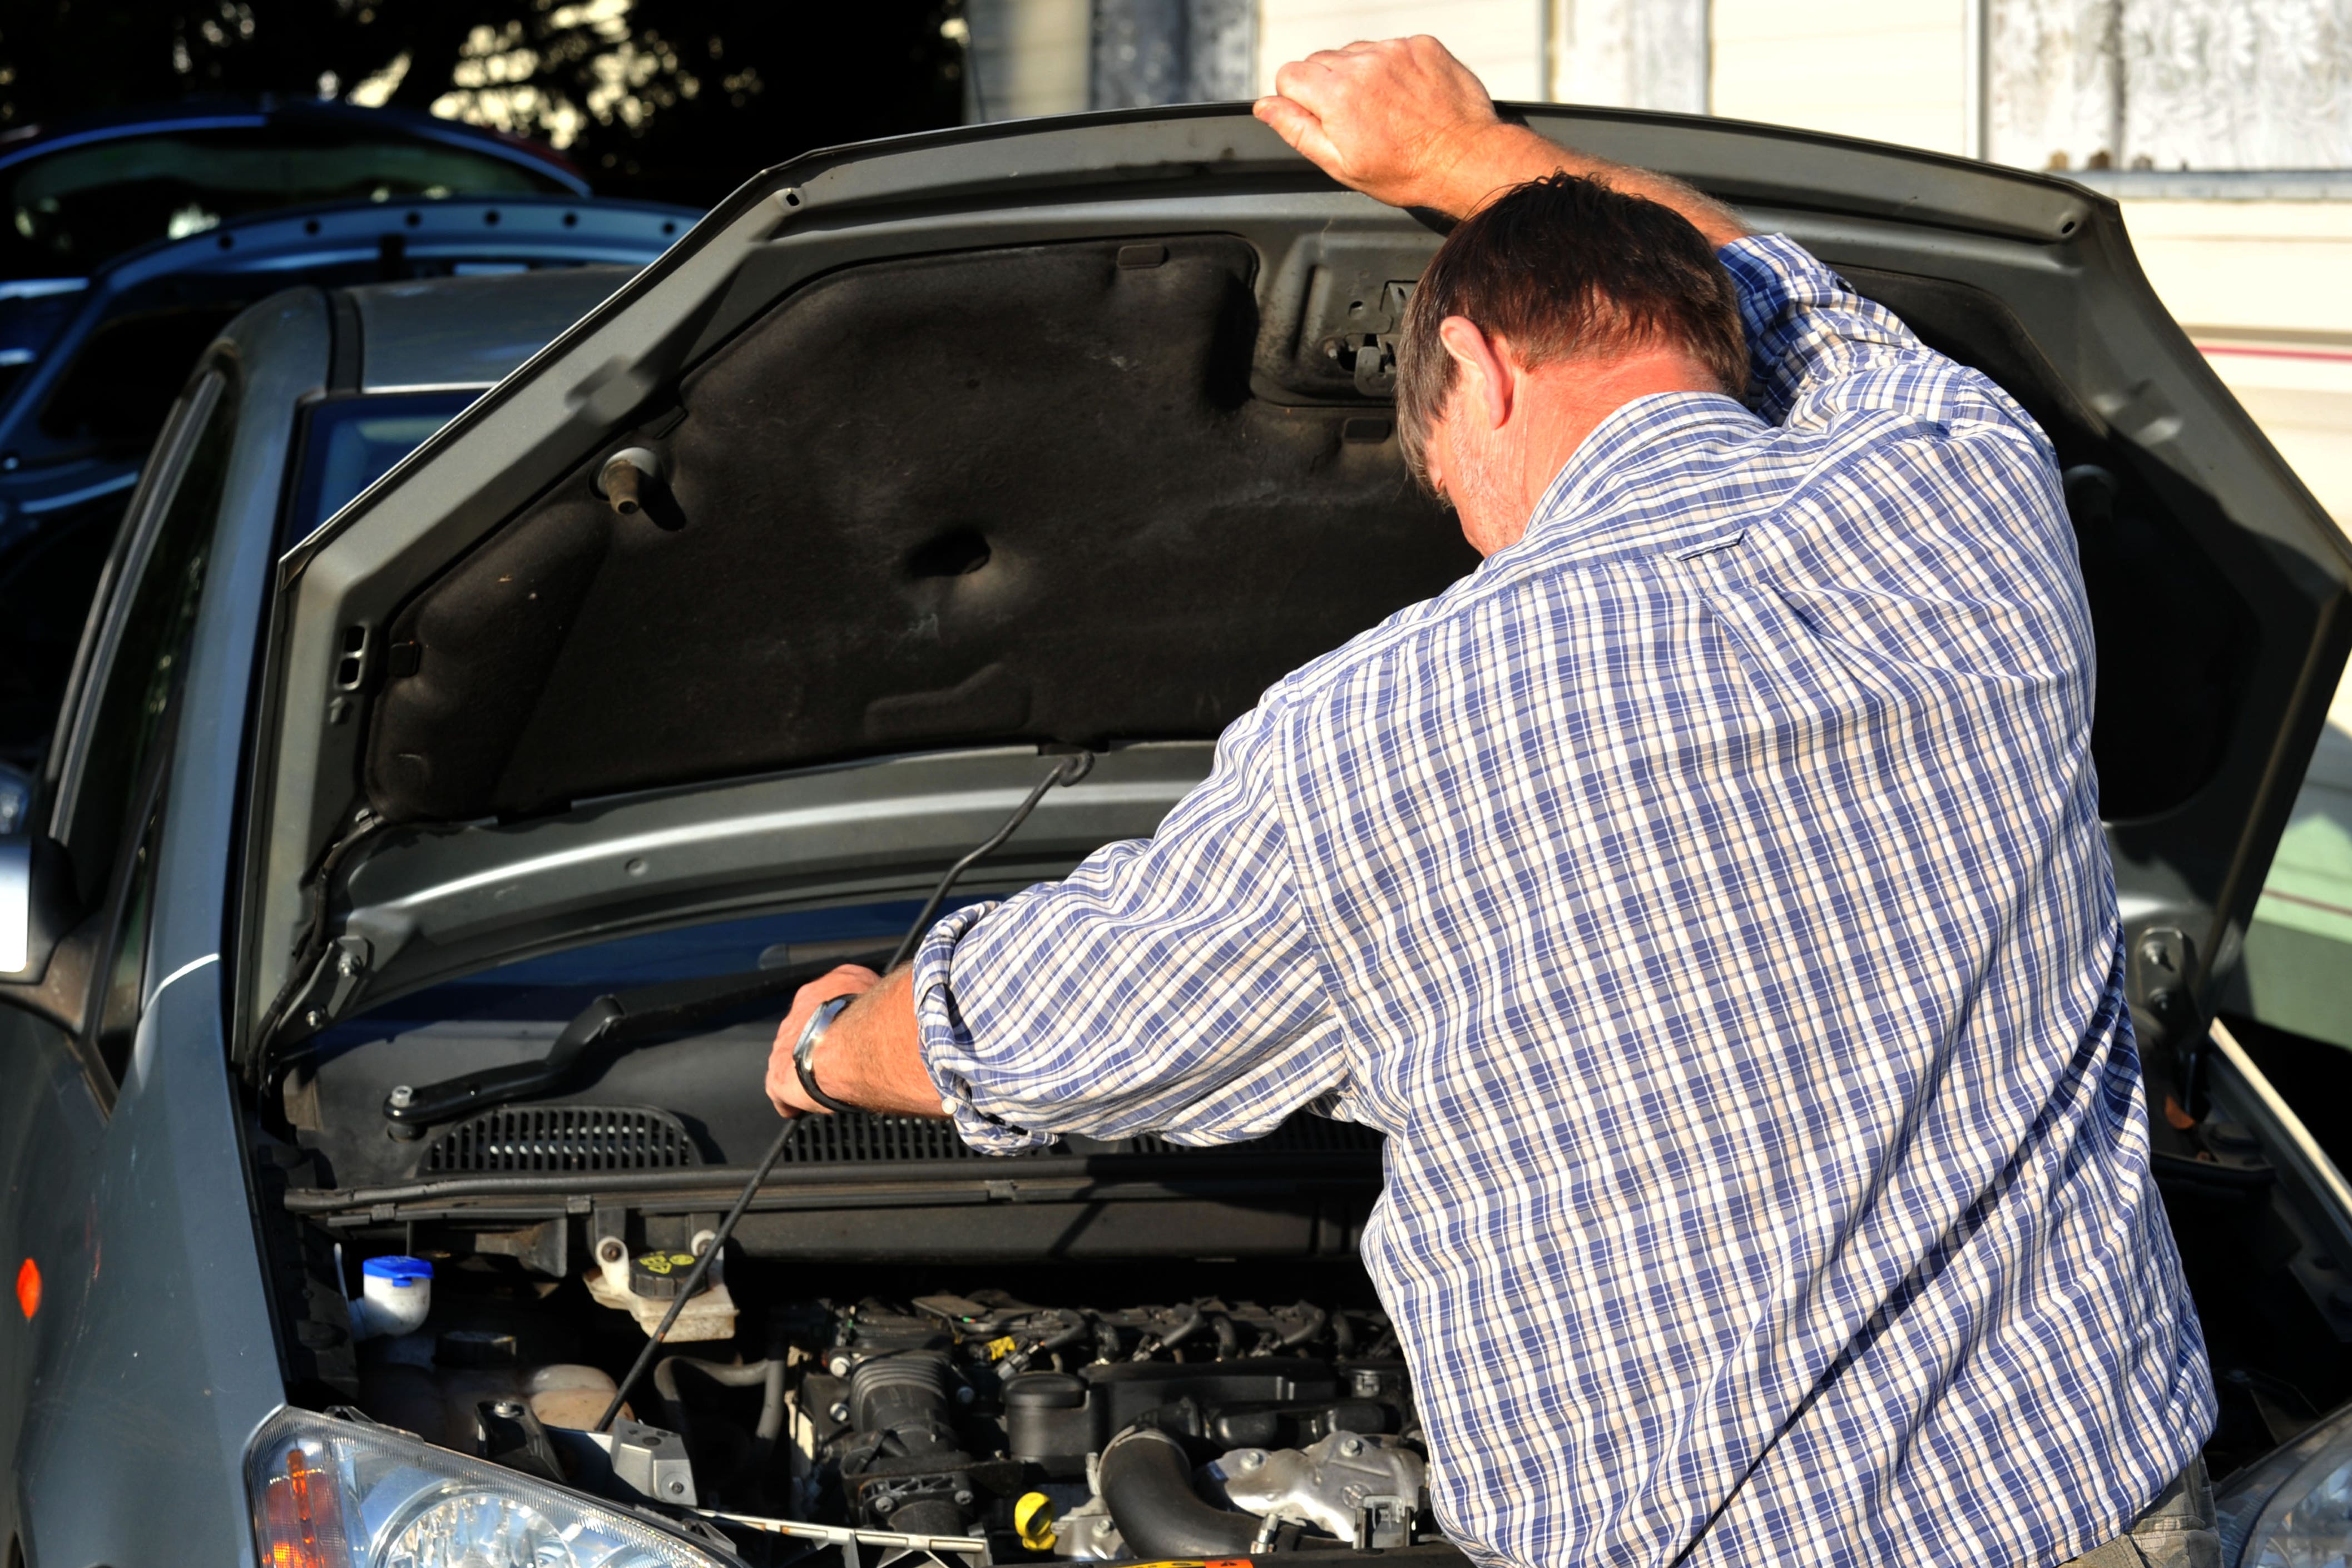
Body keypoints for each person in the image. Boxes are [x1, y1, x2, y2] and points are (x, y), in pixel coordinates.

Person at [767, 36, 2215, 1568]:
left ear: (1483, 363)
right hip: (2108, 1509)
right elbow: (1787, 294)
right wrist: (1470, 156)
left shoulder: (1377, 731)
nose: (1464, 520)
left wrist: (828, 1046)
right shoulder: (1965, 481)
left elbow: (1050, 1024)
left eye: (1441, 461)